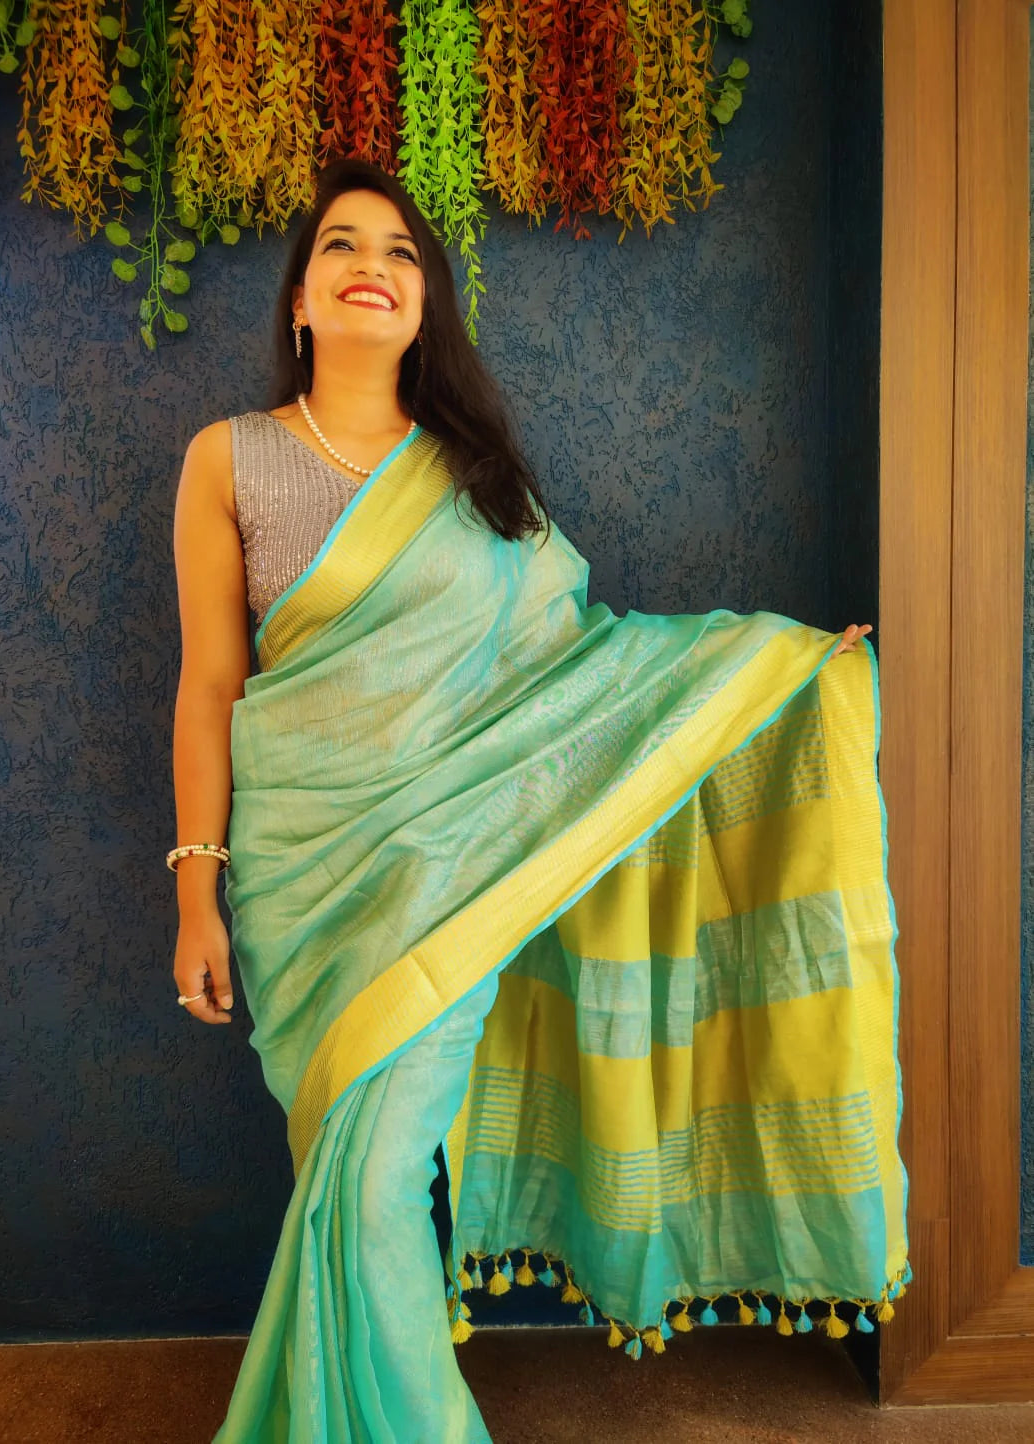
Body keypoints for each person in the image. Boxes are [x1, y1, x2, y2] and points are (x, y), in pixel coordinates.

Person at [170, 158, 906, 1444]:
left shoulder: (471, 476)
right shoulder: (227, 460)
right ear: (299, 298)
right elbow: (210, 688)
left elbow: (577, 666)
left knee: (377, 1175)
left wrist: (769, 666)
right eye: (342, 245)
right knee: (346, 1168)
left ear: (425, 306)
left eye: (402, 253)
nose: (372, 266)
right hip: (304, 876)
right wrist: (196, 891)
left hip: (462, 871)